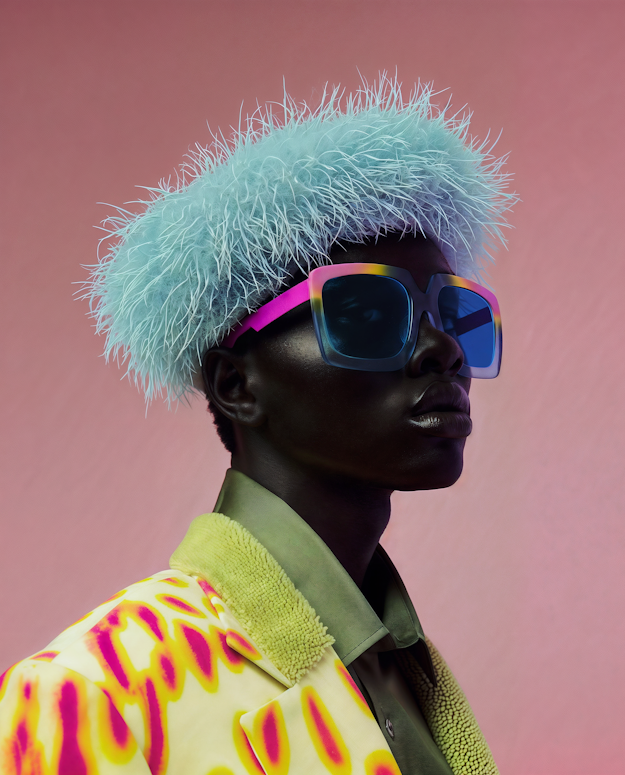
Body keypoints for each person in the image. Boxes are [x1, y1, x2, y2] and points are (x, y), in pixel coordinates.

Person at [0, 77, 515, 775]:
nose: (443, 348)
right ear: (235, 384)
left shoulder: (401, 665)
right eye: (367, 313)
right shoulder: (94, 692)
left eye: (454, 316)